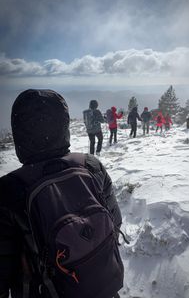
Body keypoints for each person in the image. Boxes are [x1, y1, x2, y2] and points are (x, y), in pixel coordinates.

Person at [0, 89, 123, 298]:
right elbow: (115, 221)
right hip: (103, 287)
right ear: (63, 125)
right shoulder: (91, 166)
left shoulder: (9, 190)